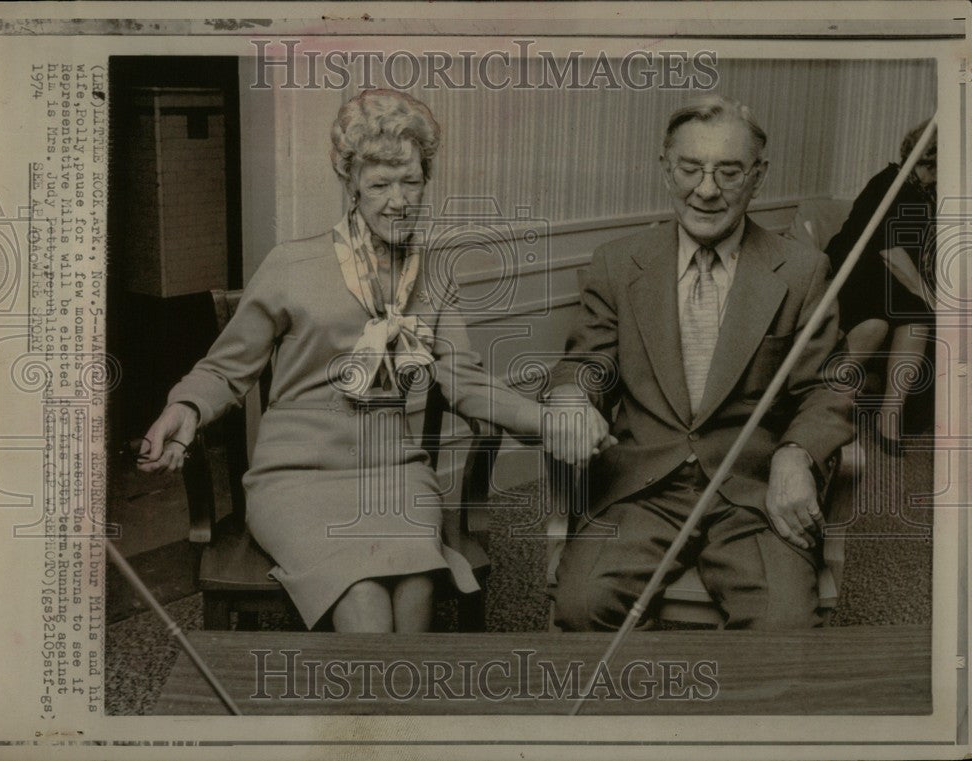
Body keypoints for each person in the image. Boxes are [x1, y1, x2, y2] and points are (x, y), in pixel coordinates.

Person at [137, 89, 544, 633]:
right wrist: (184, 409)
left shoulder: (435, 274)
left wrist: (545, 420)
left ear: (427, 179)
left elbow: (465, 381)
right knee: (364, 597)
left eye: (412, 182)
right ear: (351, 184)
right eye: (379, 184)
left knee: (418, 585)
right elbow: (225, 369)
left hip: (392, 474)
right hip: (296, 478)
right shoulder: (292, 263)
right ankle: (373, 716)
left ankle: (400, 715)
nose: (399, 201)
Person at [545, 95, 854, 632]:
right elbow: (587, 364)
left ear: (758, 177)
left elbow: (827, 388)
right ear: (666, 169)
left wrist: (797, 454)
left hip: (751, 492)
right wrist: (572, 396)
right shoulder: (617, 265)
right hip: (640, 487)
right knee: (582, 607)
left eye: (728, 172)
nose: (706, 190)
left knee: (783, 628)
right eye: (691, 168)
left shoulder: (803, 271)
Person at [824, 120, 936, 447]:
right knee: (906, 312)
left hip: (884, 282)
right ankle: (831, 407)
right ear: (930, 159)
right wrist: (929, 295)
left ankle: (890, 417)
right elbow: (891, 254)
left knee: (915, 313)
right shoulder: (893, 182)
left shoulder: (924, 193)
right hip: (850, 274)